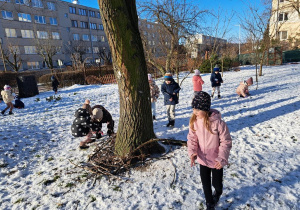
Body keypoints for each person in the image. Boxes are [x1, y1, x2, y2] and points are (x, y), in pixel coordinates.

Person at [187, 91, 232, 210]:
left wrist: (222, 157)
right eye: (194, 109)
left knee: (216, 184)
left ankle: (217, 192)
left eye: (198, 109)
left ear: (206, 109)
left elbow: (226, 142)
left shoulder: (219, 124)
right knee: (205, 185)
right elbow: (192, 139)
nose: (195, 112)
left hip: (216, 161)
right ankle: (209, 203)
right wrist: (192, 152)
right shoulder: (194, 122)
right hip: (202, 159)